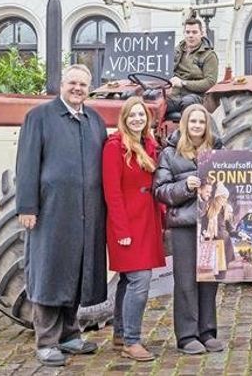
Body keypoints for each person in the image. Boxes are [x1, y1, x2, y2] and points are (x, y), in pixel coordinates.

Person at [16, 64, 108, 367]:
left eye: (83, 84)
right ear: (61, 84)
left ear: (89, 87)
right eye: (72, 83)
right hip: (51, 211)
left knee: (77, 271)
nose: (77, 88)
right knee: (49, 272)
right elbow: (27, 164)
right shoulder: (39, 117)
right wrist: (27, 206)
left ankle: (70, 335)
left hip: (87, 211)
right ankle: (46, 341)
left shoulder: (94, 120)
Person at [152, 104, 225, 354]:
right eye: (192, 121)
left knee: (209, 279)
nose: (197, 126)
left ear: (206, 125)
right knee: (185, 281)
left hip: (212, 222)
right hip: (184, 224)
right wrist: (185, 186)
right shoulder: (170, 154)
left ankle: (207, 332)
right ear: (185, 124)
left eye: (201, 122)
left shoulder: (217, 150)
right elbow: (160, 190)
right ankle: (186, 336)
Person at [101, 97, 166, 362]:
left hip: (147, 222)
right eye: (132, 116)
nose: (137, 119)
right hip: (126, 224)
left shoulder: (150, 144)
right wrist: (121, 230)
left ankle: (120, 335)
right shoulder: (114, 147)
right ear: (124, 119)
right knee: (140, 281)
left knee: (129, 281)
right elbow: (112, 193)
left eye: (141, 115)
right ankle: (132, 340)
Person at [166, 17, 219, 113]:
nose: (190, 35)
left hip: (197, 96)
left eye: (194, 32)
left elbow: (209, 82)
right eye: (188, 32)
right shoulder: (175, 51)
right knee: (155, 101)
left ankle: (186, 127)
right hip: (174, 94)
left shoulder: (209, 55)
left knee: (188, 102)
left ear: (201, 34)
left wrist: (183, 83)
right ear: (184, 33)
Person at [198, 181, 235, 280]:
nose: (224, 200)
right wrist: (204, 232)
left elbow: (230, 227)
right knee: (212, 269)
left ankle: (221, 280)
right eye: (222, 197)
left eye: (225, 197)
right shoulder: (208, 207)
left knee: (222, 270)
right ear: (217, 197)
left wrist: (238, 233)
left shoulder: (227, 209)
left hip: (224, 242)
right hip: (211, 241)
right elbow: (203, 223)